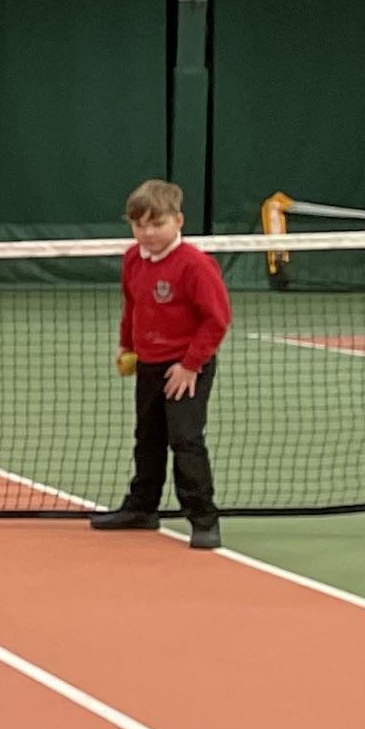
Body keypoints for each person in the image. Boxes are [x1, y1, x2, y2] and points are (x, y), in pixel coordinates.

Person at [94, 177, 227, 551]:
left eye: (157, 224)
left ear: (178, 221)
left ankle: (203, 519)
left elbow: (216, 320)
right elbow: (133, 307)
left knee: (185, 440)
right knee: (147, 438)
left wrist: (190, 365)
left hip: (186, 368)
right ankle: (141, 508)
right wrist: (126, 344)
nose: (148, 233)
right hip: (148, 364)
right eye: (139, 225)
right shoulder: (132, 259)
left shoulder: (195, 265)